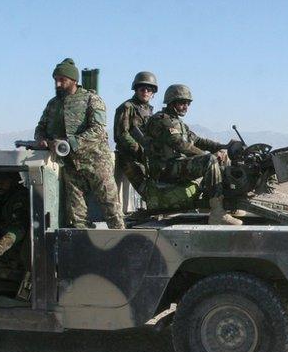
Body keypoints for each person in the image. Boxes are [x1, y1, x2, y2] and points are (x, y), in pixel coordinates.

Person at [34, 58, 125, 229]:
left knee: (112, 209)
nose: (58, 84)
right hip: (70, 166)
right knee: (77, 218)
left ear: (74, 81)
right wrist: (41, 139)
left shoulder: (92, 99)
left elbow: (98, 130)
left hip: (96, 162)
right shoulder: (53, 104)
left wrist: (70, 143)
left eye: (62, 80)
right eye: (56, 80)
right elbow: (41, 127)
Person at [143, 84, 242, 225]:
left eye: (188, 103)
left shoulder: (177, 122)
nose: (186, 107)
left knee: (222, 157)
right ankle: (217, 213)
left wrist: (223, 146)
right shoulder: (161, 120)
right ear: (172, 102)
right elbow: (180, 144)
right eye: (182, 103)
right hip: (164, 169)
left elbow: (198, 140)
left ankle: (224, 205)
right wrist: (209, 156)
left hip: (175, 167)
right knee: (209, 160)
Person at [0, 171, 31, 297]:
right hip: (15, 249)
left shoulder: (19, 199)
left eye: (3, 183)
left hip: (17, 255)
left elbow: (17, 231)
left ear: (13, 180)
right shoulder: (11, 197)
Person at [114, 71, 157, 192]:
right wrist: (139, 149)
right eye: (142, 89)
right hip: (129, 157)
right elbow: (122, 134)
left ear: (153, 92)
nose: (145, 92)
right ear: (136, 89)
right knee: (146, 190)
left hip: (146, 157)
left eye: (149, 90)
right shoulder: (127, 107)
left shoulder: (148, 110)